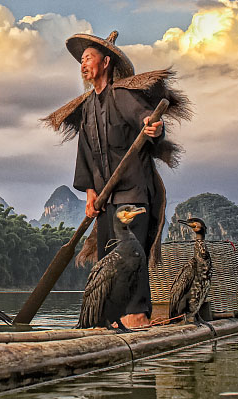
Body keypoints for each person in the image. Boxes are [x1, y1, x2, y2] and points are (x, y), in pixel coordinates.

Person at [43, 31, 191, 329]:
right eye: (81, 61)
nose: (83, 65)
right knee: (109, 257)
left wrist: (154, 128)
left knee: (132, 254)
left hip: (133, 192)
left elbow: (148, 120)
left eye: (88, 59)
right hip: (105, 198)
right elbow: (84, 154)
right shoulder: (86, 109)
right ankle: (110, 317)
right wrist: (89, 194)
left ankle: (137, 314)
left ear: (106, 62)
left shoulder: (123, 96)